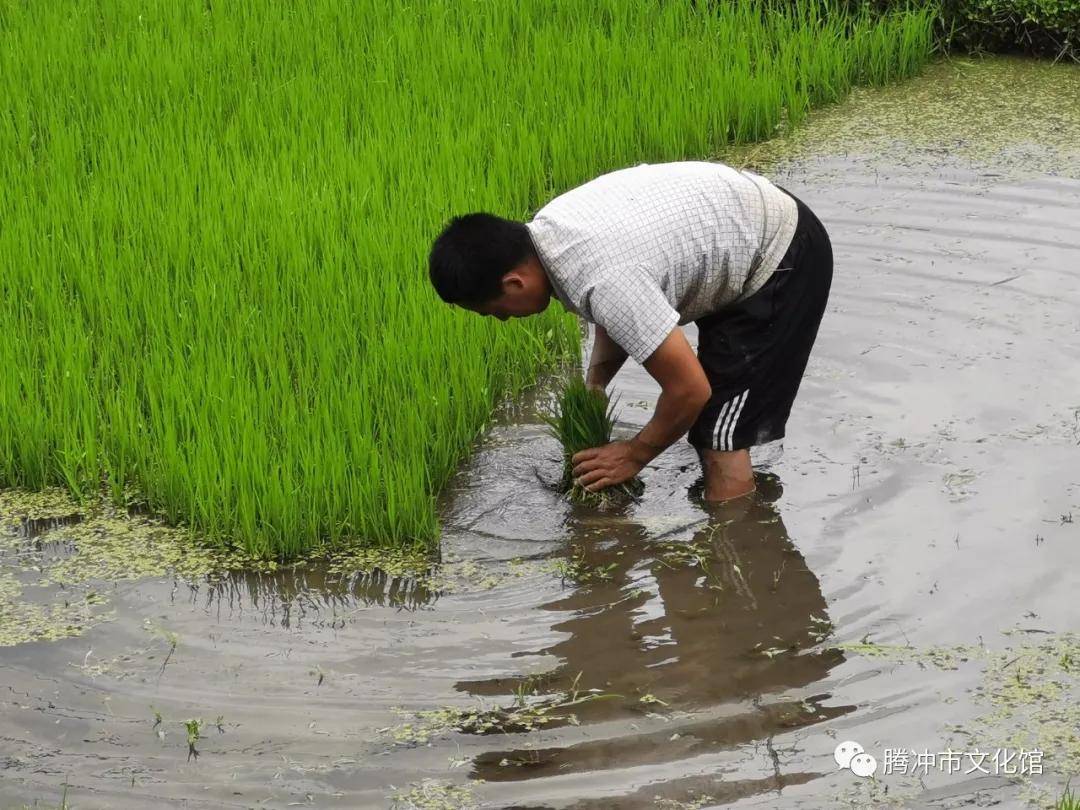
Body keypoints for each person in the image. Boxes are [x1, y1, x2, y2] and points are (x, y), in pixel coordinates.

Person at [427, 160, 832, 502]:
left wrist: (633, 455)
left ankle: (739, 546)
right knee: (713, 424)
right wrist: (597, 382)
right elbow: (617, 309)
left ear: (514, 283)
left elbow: (690, 390)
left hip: (780, 254)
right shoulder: (551, 235)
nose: (501, 320)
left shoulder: (603, 279)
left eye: (493, 311)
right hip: (738, 231)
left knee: (719, 434)